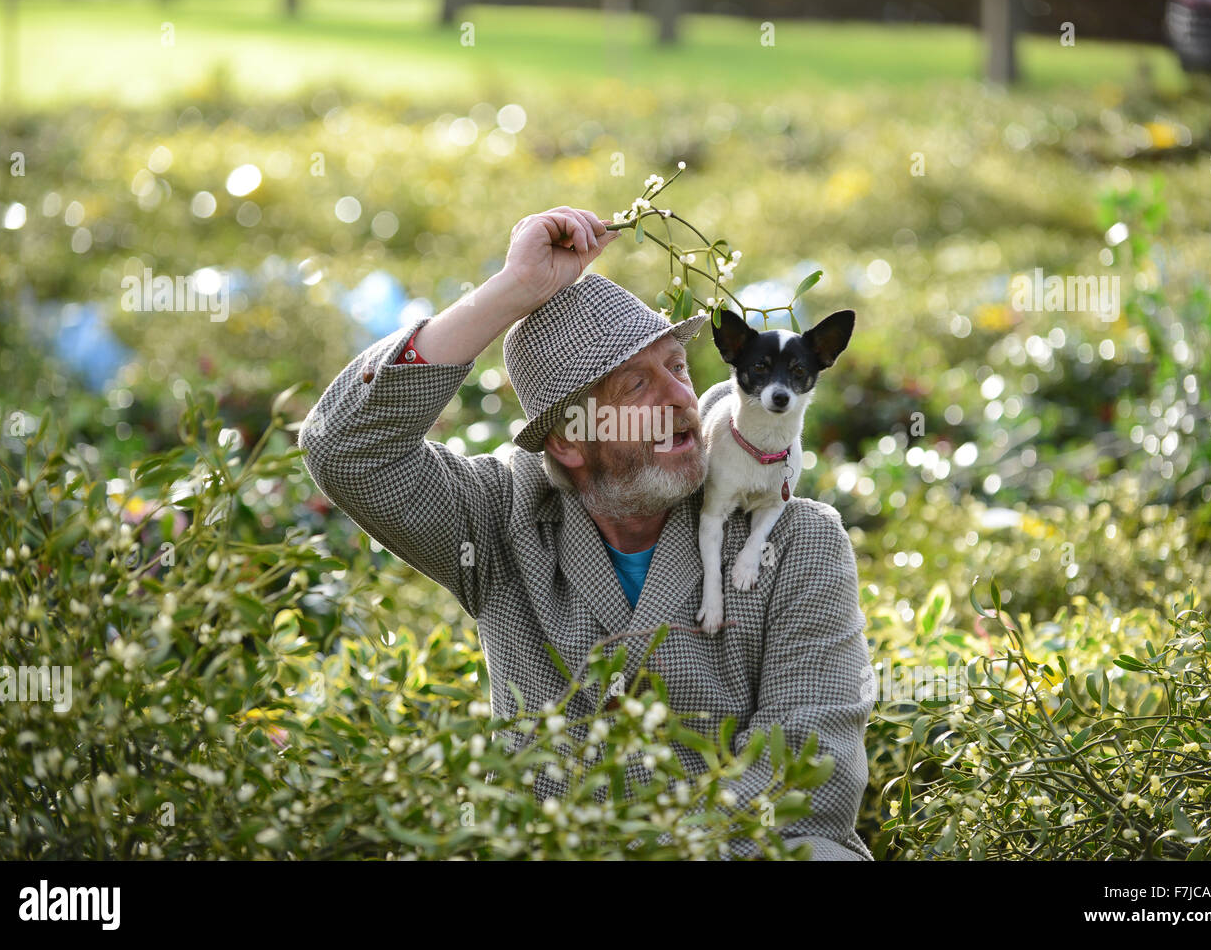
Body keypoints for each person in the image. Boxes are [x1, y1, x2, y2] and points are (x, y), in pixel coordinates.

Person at [299, 205, 874, 860]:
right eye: (636, 383)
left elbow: (808, 777)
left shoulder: (796, 541)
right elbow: (344, 448)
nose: (681, 398)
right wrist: (513, 289)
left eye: (678, 368)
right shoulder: (497, 520)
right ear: (570, 440)